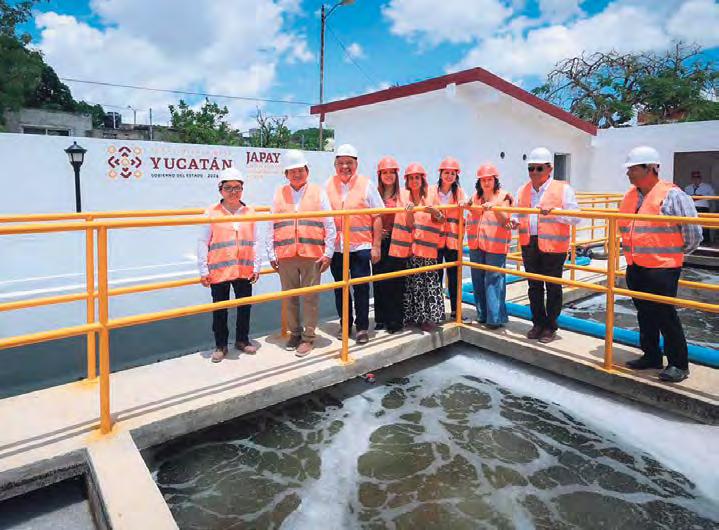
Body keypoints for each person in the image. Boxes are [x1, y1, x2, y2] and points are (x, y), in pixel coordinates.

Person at [620, 146, 702, 383]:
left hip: (662, 268)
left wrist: (672, 255)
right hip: (635, 265)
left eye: (633, 169)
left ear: (650, 168)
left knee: (665, 315)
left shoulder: (673, 195)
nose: (628, 173)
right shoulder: (630, 196)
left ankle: (678, 364)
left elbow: (693, 234)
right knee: (644, 314)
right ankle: (652, 356)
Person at [268, 150, 335, 358]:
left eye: (300, 170)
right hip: (286, 255)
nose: (297, 174)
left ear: (307, 171)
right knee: (289, 298)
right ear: (286, 174)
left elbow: (329, 224)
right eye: (292, 171)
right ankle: (294, 334)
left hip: (312, 254)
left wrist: (329, 253)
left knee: (310, 299)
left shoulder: (318, 192)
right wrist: (271, 254)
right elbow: (270, 225)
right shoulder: (278, 193)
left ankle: (308, 338)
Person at [512, 147, 580, 344]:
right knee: (534, 286)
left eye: (539, 168)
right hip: (529, 243)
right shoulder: (522, 190)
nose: (534, 172)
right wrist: (513, 221)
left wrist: (556, 212)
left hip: (554, 246)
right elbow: (516, 213)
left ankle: (550, 326)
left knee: (552, 287)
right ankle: (538, 323)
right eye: (531, 168)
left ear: (550, 169)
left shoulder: (563, 189)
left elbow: (576, 218)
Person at [198, 167, 262, 363]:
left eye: (237, 187)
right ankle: (221, 345)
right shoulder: (211, 212)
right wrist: (203, 269)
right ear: (220, 189)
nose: (233, 192)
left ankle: (242, 340)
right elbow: (202, 242)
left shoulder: (250, 212)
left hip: (244, 269)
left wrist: (257, 266)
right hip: (219, 270)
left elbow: (256, 241)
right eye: (228, 188)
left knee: (244, 307)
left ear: (242, 189)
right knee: (220, 309)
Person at [326, 144, 383, 344]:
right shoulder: (328, 185)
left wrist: (376, 246)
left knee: (361, 288)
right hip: (337, 248)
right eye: (341, 163)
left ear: (356, 164)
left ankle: (362, 328)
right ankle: (345, 324)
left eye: (349, 163)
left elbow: (377, 216)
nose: (345, 167)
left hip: (360, 248)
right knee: (340, 289)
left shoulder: (366, 185)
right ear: (335, 165)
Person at [390, 163, 446, 331]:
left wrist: (435, 212)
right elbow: (408, 224)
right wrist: (408, 212)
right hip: (411, 249)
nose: (414, 181)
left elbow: (441, 219)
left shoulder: (431, 195)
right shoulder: (403, 196)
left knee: (428, 283)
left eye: (417, 177)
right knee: (413, 284)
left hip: (427, 249)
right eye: (411, 178)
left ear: (422, 179)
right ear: (407, 180)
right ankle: (414, 317)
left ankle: (428, 318)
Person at [466, 164, 513, 329]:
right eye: (483, 180)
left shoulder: (503, 196)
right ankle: (482, 314)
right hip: (476, 244)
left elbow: (506, 219)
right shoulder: (476, 197)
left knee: (494, 281)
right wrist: (466, 204)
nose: (486, 183)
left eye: (489, 179)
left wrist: (494, 207)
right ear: (479, 182)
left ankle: (495, 318)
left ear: (495, 180)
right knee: (478, 280)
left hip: (495, 245)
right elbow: (471, 211)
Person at [429, 157, 467, 320]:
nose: (449, 176)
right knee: (435, 277)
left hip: (453, 241)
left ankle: (456, 311)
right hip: (435, 241)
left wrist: (466, 202)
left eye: (452, 173)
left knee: (454, 278)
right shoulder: (431, 191)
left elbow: (469, 203)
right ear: (440, 174)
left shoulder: (460, 193)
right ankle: (437, 313)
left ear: (456, 175)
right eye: (446, 173)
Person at [372, 156, 407, 334]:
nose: (388, 175)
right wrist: (376, 234)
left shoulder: (403, 195)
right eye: (384, 172)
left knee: (396, 281)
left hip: (397, 242)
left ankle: (395, 320)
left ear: (396, 175)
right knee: (379, 280)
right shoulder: (374, 193)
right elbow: (368, 216)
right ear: (379, 175)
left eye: (391, 172)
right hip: (380, 241)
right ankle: (380, 318)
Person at [684, 170, 714, 244]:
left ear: (701, 178)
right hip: (692, 208)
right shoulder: (688, 188)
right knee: (692, 226)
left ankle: (706, 242)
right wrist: (692, 197)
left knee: (704, 225)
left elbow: (713, 196)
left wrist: (702, 196)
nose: (696, 179)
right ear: (692, 178)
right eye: (694, 177)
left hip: (703, 208)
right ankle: (693, 242)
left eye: (698, 177)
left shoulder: (707, 187)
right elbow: (684, 197)